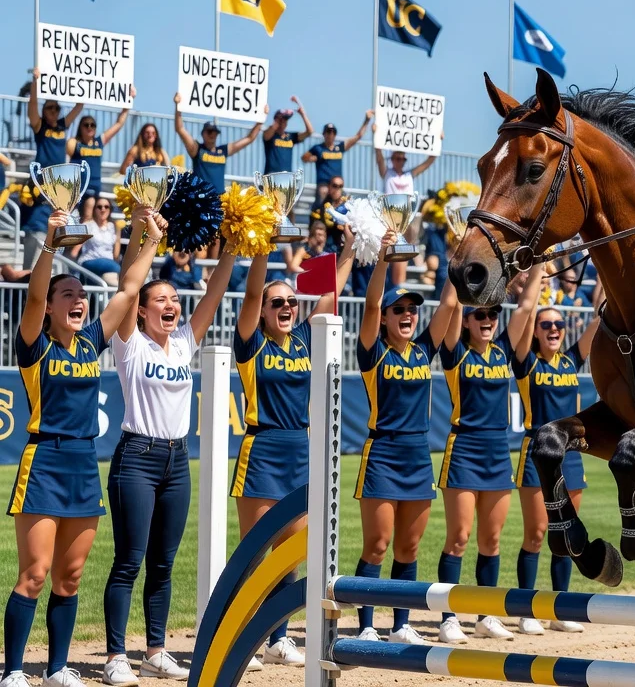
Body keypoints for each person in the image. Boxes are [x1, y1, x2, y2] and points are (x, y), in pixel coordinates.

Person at [4, 207, 162, 687]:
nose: (78, 301)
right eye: (67, 295)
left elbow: (130, 290)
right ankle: (13, 671)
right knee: (34, 573)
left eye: (80, 295)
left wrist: (148, 237)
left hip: (82, 463)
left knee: (69, 578)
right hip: (43, 460)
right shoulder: (35, 344)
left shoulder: (91, 341)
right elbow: (33, 294)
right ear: (50, 308)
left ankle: (55, 668)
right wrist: (50, 245)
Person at [101, 240, 236, 686]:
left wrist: (231, 249)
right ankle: (116, 655)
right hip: (136, 459)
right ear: (140, 310)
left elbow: (214, 294)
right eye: (161, 300)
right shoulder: (129, 344)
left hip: (177, 462)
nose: (172, 305)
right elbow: (128, 284)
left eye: (175, 299)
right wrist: (146, 241)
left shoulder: (182, 343)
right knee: (129, 561)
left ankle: (155, 651)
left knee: (163, 563)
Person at [231, 231, 355, 668]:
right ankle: (242, 638)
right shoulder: (251, 343)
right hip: (261, 447)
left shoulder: (303, 338)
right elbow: (250, 291)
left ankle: (278, 638)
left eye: (290, 302)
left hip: (298, 449)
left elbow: (333, 289)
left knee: (291, 551)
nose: (286, 308)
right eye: (276, 303)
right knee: (254, 552)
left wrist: (352, 250)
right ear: (262, 311)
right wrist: (262, 244)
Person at [349, 233, 451, 645]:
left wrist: (456, 254)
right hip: (382, 455)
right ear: (387, 318)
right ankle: (367, 625)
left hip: (417, 457)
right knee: (377, 544)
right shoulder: (374, 354)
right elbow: (371, 304)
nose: (407, 314)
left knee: (408, 549)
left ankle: (402, 624)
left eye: (411, 309)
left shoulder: (424, 351)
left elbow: (448, 304)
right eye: (400, 310)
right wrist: (382, 262)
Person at [511, 264, 599, 635]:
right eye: (546, 325)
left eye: (559, 326)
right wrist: (535, 280)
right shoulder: (526, 363)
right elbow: (525, 315)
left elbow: (599, 319)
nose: (553, 330)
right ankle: (526, 609)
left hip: (571, 454)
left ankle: (559, 609)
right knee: (536, 534)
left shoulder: (571, 360)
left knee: (567, 532)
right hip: (537, 456)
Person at [430, 292, 521, 643]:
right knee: (459, 537)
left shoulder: (503, 353)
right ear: (467, 321)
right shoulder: (456, 354)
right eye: (479, 314)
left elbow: (526, 308)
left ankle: (485, 615)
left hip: (498, 452)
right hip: (464, 450)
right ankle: (449, 618)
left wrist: (535, 276)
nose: (488, 319)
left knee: (492, 540)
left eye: (493, 314)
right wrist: (457, 280)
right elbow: (451, 307)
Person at [24, 70, 86, 268]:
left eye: (57, 108)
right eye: (50, 108)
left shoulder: (61, 126)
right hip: (42, 179)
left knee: (59, 217)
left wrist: (84, 84)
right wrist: (35, 82)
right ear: (44, 110)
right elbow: (32, 107)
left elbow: (79, 106)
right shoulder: (40, 126)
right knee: (38, 219)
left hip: (60, 182)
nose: (54, 111)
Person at [373, 141, 440, 286]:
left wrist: (437, 140)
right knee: (393, 248)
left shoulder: (409, 174)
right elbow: (378, 155)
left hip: (406, 220)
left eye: (403, 159)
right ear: (392, 160)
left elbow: (430, 160)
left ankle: (399, 284)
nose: (401, 162)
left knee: (402, 249)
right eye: (398, 158)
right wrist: (376, 135)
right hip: (390, 218)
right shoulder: (387, 173)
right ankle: (395, 284)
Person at [173, 94, 266, 198]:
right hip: (200, 197)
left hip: (219, 199)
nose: (212, 134)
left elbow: (249, 138)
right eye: (209, 131)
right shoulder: (198, 149)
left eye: (215, 132)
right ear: (202, 133)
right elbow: (180, 129)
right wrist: (178, 106)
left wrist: (262, 118)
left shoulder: (223, 151)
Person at [67, 104, 133, 217]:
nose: (89, 127)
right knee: (73, 217)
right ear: (80, 127)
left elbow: (118, 124)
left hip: (93, 186)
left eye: (92, 125)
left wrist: (126, 107)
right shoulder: (75, 143)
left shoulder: (99, 142)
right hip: (77, 187)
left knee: (89, 213)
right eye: (86, 125)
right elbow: (66, 157)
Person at [302, 112, 372, 199]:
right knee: (323, 193)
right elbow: (304, 157)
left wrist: (367, 120)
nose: (330, 134)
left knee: (344, 201)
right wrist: (312, 158)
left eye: (333, 132)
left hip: (337, 185)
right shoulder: (318, 148)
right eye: (328, 132)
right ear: (324, 134)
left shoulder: (340, 148)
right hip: (324, 184)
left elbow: (358, 136)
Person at [70, 196, 121, 286]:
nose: (103, 209)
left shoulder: (113, 227)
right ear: (94, 209)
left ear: (110, 209)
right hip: (90, 261)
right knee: (116, 268)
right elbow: (74, 252)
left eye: (106, 207)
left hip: (108, 264)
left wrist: (118, 233)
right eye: (99, 207)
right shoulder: (87, 225)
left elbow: (116, 255)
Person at [262, 98, 313, 175]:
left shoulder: (290, 137)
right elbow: (266, 136)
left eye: (286, 120)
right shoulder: (270, 134)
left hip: (286, 177)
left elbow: (309, 132)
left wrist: (303, 114)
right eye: (282, 119)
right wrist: (276, 123)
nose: (284, 122)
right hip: (271, 176)